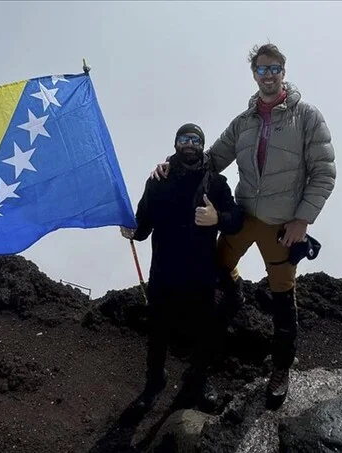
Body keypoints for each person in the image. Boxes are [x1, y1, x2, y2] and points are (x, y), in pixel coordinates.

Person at [151, 43, 336, 409]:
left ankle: (280, 370)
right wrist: (172, 164)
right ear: (254, 74)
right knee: (216, 270)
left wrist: (302, 220)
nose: (268, 75)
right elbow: (212, 158)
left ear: (283, 70)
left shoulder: (308, 117)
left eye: (274, 69)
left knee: (284, 298)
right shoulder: (244, 121)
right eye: (261, 70)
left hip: (282, 225)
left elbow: (325, 173)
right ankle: (229, 305)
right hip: (243, 216)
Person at [122, 123, 244, 412]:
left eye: (195, 139)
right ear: (175, 143)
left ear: (202, 145)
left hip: (201, 274)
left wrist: (217, 218)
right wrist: (131, 229)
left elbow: (236, 219)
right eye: (183, 139)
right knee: (157, 332)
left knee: (205, 331)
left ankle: (200, 381)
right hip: (163, 272)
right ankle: (154, 383)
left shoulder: (215, 182)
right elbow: (143, 226)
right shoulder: (158, 180)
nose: (189, 143)